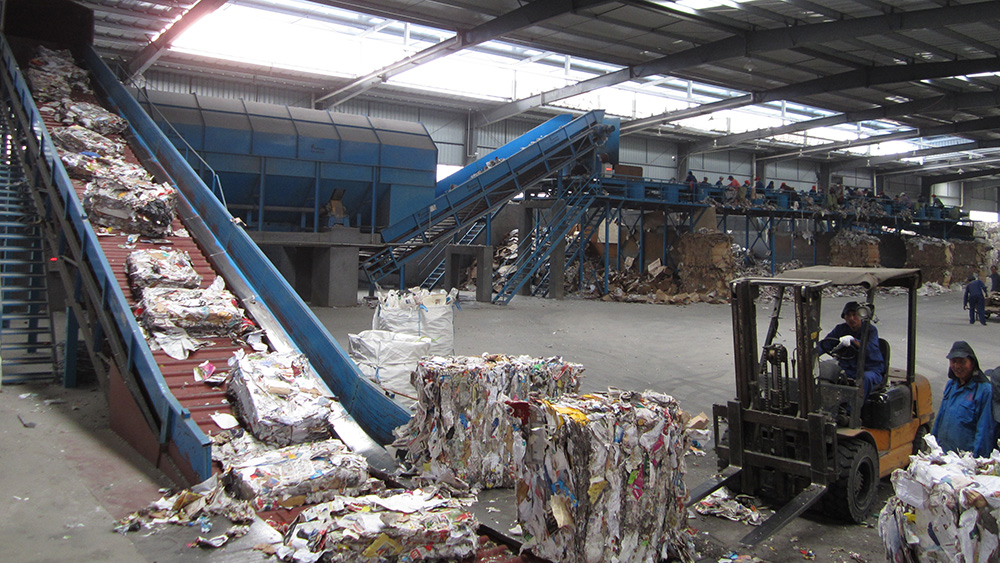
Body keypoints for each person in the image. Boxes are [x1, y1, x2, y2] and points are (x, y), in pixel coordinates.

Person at [932, 341, 995, 457]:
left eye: (962, 362)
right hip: (944, 455)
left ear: (972, 363)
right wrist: (933, 445)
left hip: (965, 459)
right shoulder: (951, 385)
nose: (957, 366)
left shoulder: (984, 390)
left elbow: (984, 430)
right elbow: (940, 417)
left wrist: (976, 460)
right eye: (953, 361)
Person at [818, 301, 885, 401]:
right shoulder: (840, 329)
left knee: (865, 378)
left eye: (854, 315)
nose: (851, 318)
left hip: (870, 369)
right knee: (825, 372)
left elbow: (870, 349)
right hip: (848, 369)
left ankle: (851, 411)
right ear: (844, 317)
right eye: (848, 315)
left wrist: (853, 340)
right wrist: (811, 354)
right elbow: (826, 344)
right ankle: (825, 404)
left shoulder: (870, 330)